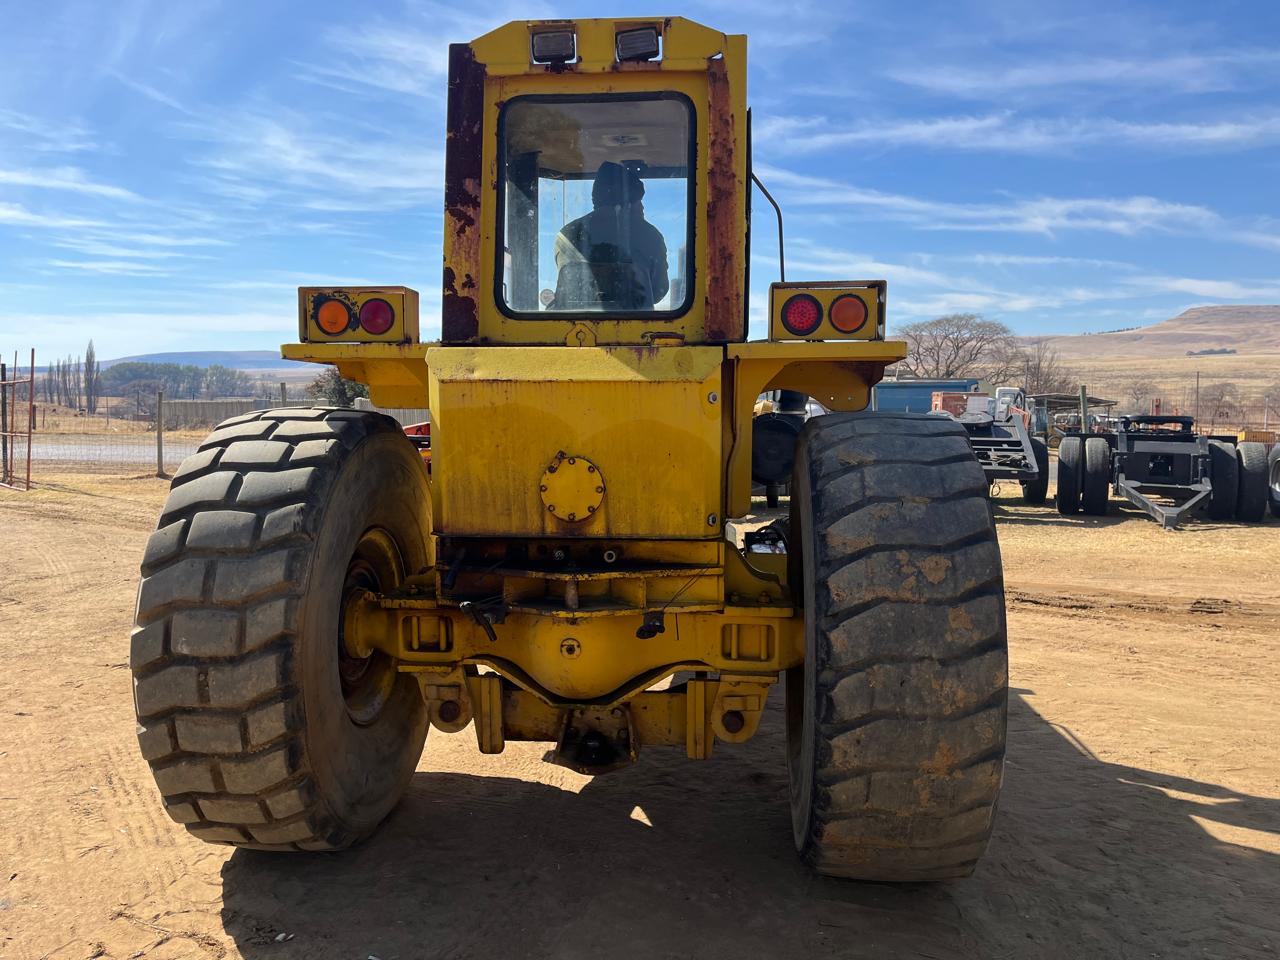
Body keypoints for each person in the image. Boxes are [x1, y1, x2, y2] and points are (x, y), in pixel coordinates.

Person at [553, 161, 670, 310]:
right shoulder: (650, 235)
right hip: (637, 326)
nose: (642, 207)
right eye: (639, 201)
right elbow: (659, 291)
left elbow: (568, 285)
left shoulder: (566, 234)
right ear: (629, 201)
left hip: (575, 327)